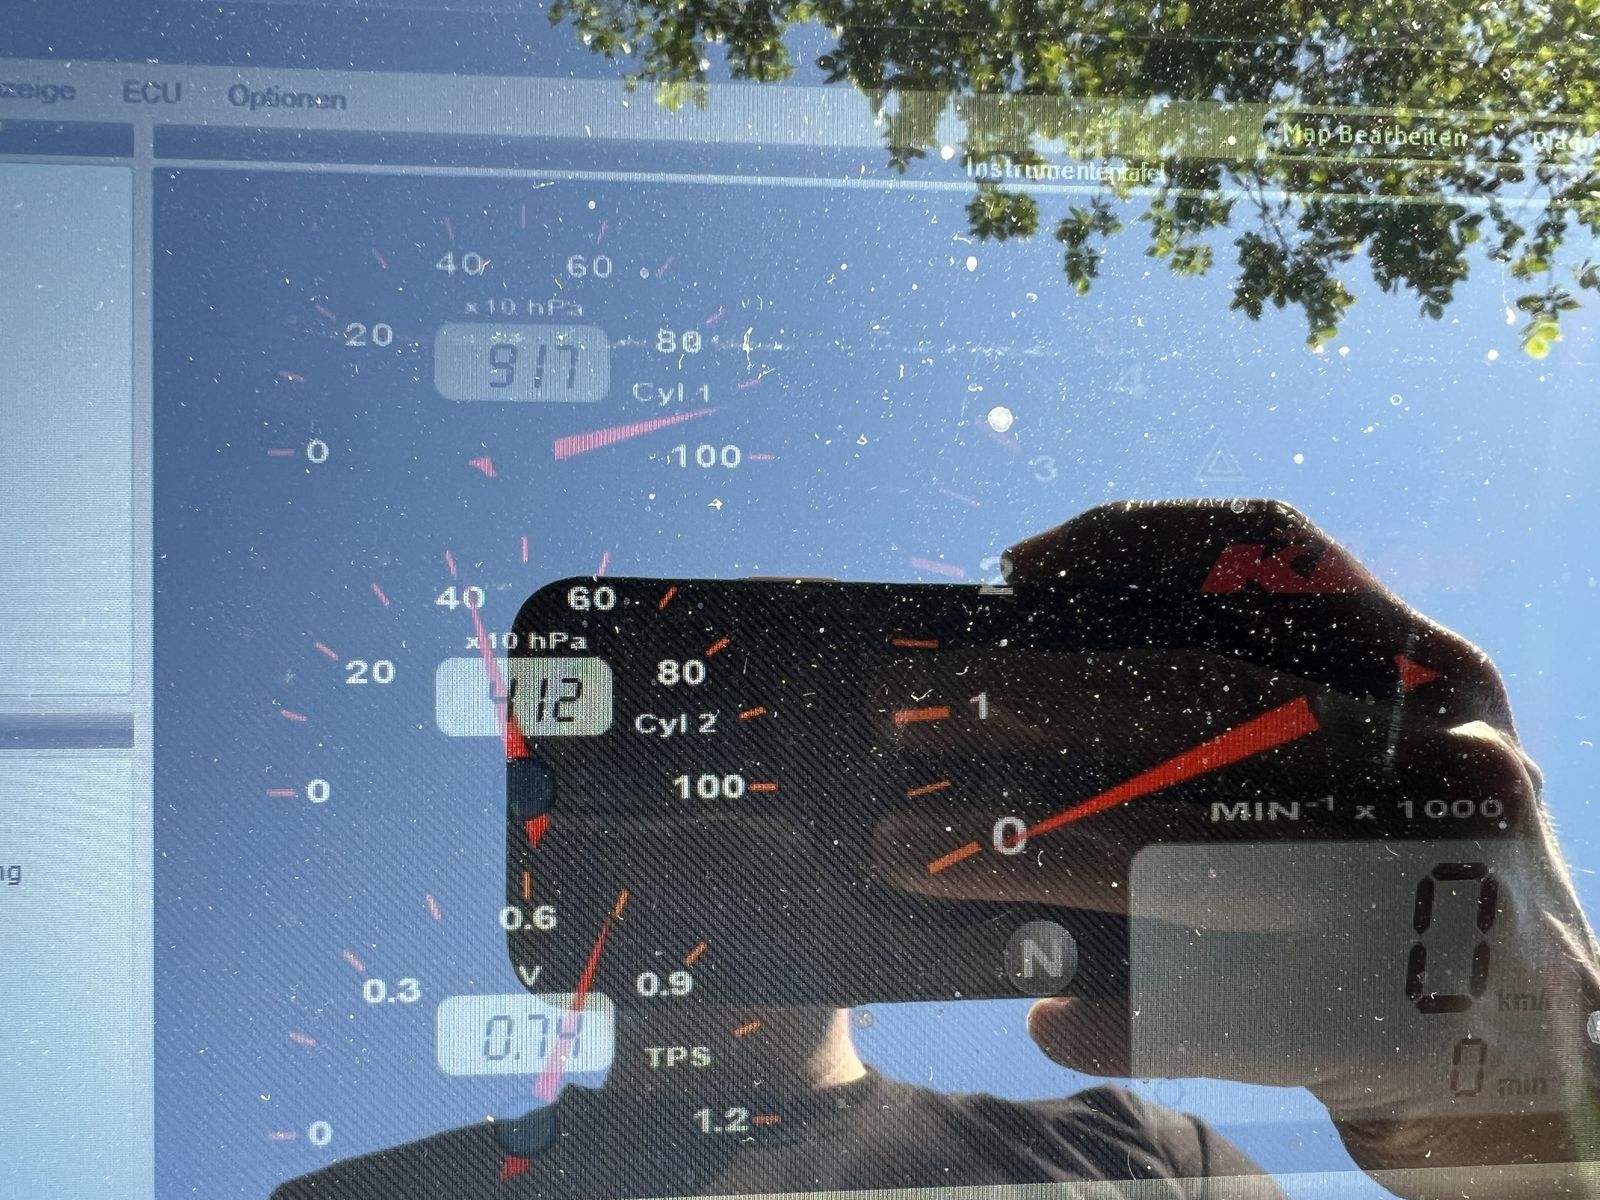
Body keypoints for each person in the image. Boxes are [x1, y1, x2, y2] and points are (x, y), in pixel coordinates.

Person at [274, 500, 1600, 1200]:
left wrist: (1548, 1138)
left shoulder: (1148, 1163)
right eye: (679, 755)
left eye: (824, 756)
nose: (738, 802)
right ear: (560, 826)